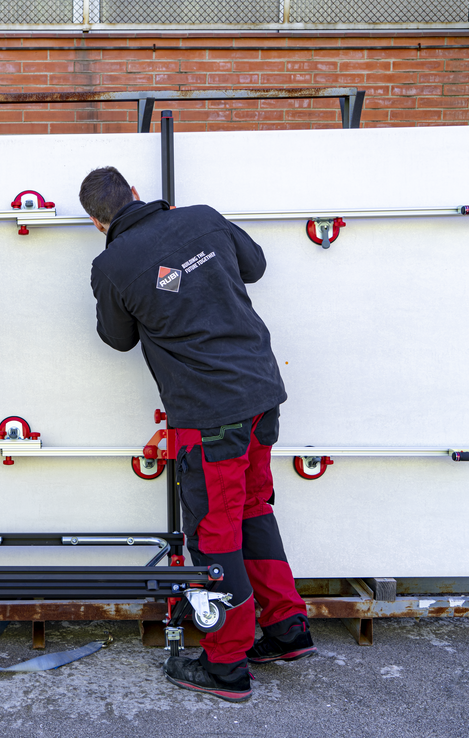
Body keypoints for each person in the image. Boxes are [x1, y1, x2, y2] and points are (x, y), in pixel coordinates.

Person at [80, 166, 314, 703]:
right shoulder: (203, 218)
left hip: (209, 416)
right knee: (253, 509)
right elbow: (254, 265)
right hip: (260, 393)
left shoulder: (112, 265)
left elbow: (116, 338)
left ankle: (226, 664)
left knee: (214, 533)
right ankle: (287, 629)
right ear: (136, 193)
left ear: (97, 222)